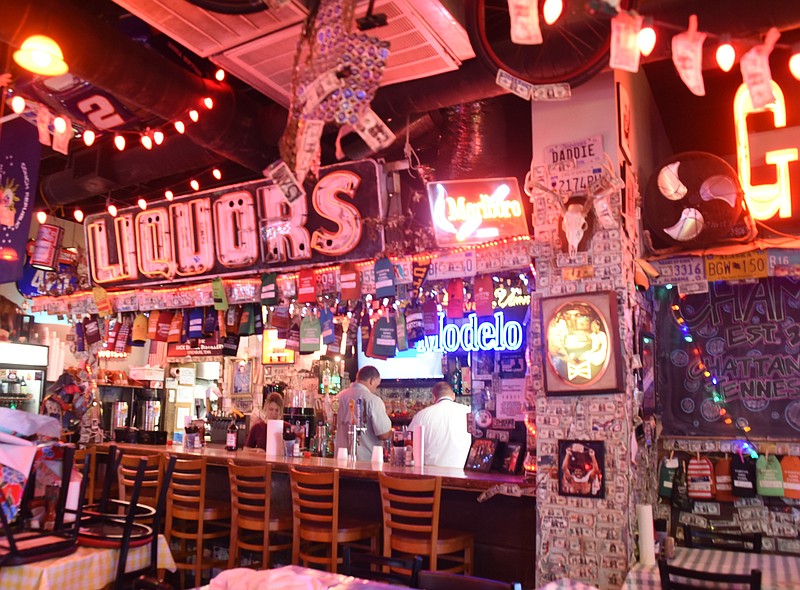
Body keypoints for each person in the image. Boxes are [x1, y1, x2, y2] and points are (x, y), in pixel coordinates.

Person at [334, 366, 392, 461]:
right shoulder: (373, 400)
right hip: (366, 463)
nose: (375, 389)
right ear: (372, 381)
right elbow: (384, 434)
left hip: (340, 461)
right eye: (376, 385)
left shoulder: (338, 397)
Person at [408, 382, 471, 469]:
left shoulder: (421, 415)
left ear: (434, 397)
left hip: (430, 477)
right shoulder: (468, 412)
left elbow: (409, 447)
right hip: (463, 474)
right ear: (453, 396)